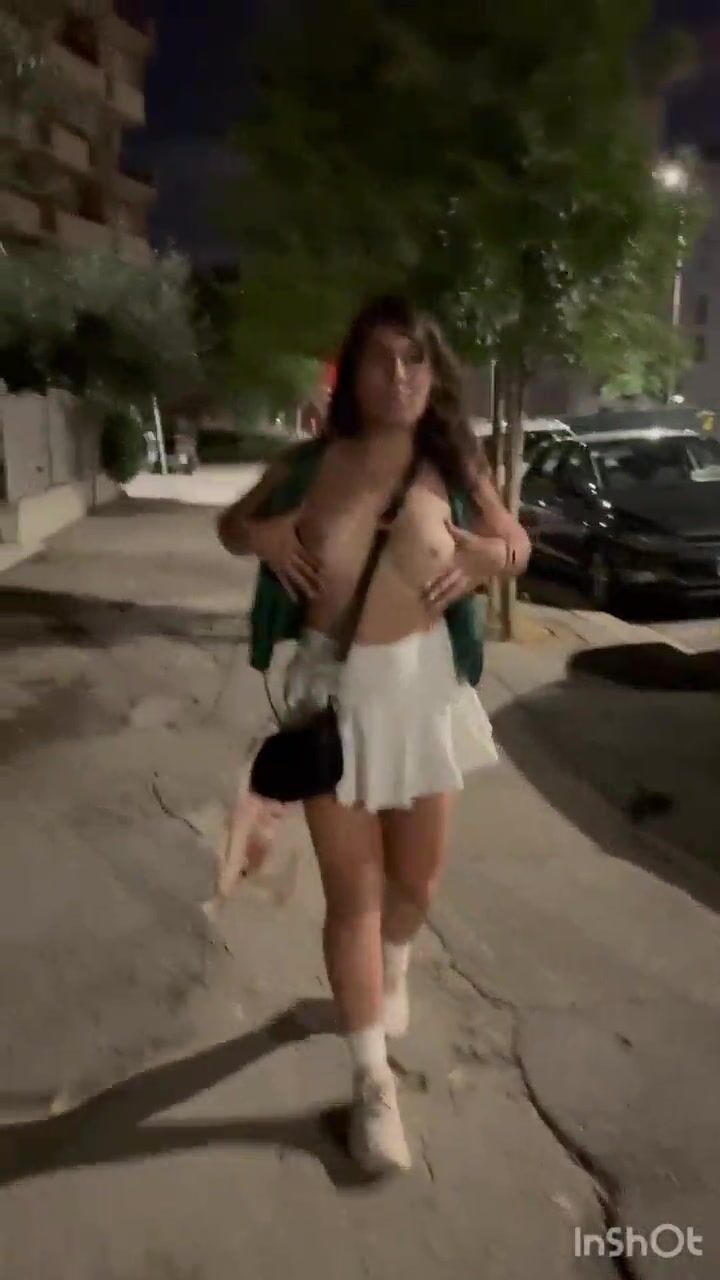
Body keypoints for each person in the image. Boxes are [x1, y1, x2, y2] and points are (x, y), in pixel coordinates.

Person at [217, 296, 530, 1175]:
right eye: (381, 360)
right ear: (352, 373)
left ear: (433, 374)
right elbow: (231, 527)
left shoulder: (452, 462)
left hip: (424, 694)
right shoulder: (309, 464)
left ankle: (393, 972)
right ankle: (371, 1083)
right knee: (351, 895)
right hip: (332, 699)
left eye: (414, 360)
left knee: (417, 883)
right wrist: (263, 534)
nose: (399, 376)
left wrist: (490, 557)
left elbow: (516, 542)